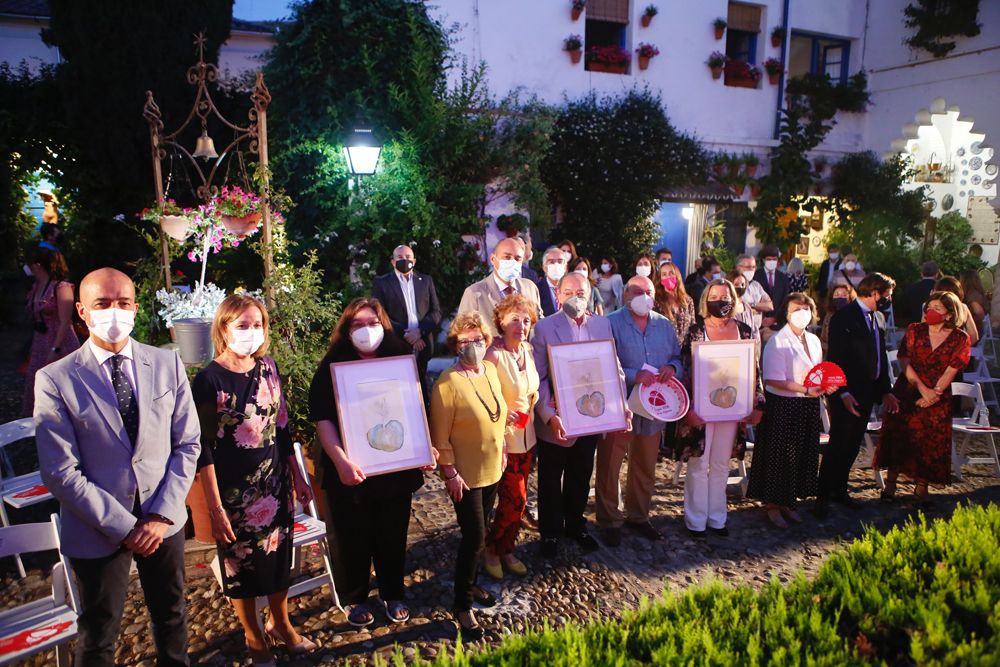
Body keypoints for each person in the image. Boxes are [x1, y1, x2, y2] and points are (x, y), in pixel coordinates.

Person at [35, 268, 200, 667]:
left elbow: (188, 443)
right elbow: (60, 471)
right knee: (98, 632)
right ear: (81, 312)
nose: (115, 312)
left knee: (172, 614)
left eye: (123, 303)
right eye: (102, 304)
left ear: (136, 307)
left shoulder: (166, 364)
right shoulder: (55, 379)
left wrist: (160, 515)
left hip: (163, 517)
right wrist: (126, 527)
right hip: (97, 526)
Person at [192, 294, 315, 663]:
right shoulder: (208, 380)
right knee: (241, 567)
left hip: (275, 485)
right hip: (233, 493)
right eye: (242, 325)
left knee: (279, 561)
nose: (251, 332)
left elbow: (282, 426)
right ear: (224, 328)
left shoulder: (269, 368)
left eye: (257, 324)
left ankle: (282, 624)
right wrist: (214, 507)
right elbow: (203, 449)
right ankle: (253, 635)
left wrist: (298, 474)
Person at [308, 298, 428, 629]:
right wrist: (341, 460)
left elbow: (417, 407)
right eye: (358, 324)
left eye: (372, 323)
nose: (366, 330)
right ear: (346, 330)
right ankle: (354, 597)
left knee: (393, 534)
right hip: (347, 469)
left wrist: (423, 447)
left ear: (384, 324)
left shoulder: (401, 358)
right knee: (350, 537)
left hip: (394, 469)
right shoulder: (332, 365)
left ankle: (393, 592)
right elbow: (322, 419)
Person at [533, 272, 628, 558]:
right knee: (551, 477)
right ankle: (550, 532)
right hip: (558, 419)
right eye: (569, 291)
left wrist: (620, 405)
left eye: (582, 291)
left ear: (590, 295)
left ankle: (575, 525)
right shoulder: (543, 327)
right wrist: (549, 414)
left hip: (591, 417)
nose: (576, 296)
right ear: (559, 294)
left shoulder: (602, 325)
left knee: (580, 473)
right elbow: (538, 377)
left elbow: (614, 369)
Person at [430, 311, 508, 638]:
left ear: (486, 341)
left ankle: (473, 584)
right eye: (465, 341)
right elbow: (439, 436)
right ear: (455, 345)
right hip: (464, 474)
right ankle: (461, 605)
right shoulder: (446, 383)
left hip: (492, 468)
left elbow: (497, 412)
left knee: (483, 529)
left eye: (478, 340)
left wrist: (503, 446)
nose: (473, 346)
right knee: (474, 537)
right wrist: (449, 472)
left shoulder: (490, 369)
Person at [674, 279, 764, 537]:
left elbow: (754, 370)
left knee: (722, 464)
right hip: (701, 411)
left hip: (733, 409)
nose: (721, 300)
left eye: (726, 296)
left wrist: (757, 402)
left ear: (734, 300)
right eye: (715, 295)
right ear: (706, 299)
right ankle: (695, 521)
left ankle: (717, 518)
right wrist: (687, 408)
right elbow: (686, 372)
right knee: (699, 463)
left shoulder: (745, 331)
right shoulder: (695, 331)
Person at [600, 276, 682, 544]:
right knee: (610, 464)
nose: (643, 295)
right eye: (637, 291)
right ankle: (609, 520)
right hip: (620, 405)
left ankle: (639, 516)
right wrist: (635, 375)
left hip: (655, 407)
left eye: (647, 291)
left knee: (645, 464)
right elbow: (604, 362)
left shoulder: (664, 325)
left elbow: (677, 358)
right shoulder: (610, 323)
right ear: (625, 294)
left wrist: (673, 369)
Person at [815, 272, 900, 518]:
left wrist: (885, 390)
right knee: (838, 442)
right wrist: (842, 392)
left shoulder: (878, 318)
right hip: (846, 392)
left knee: (853, 444)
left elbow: (880, 356)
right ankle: (823, 495)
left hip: (867, 390)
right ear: (874, 293)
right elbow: (837, 358)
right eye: (887, 295)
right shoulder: (845, 317)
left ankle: (839, 489)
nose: (888, 299)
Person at [874, 291, 970, 505]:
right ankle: (890, 486)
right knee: (898, 436)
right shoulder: (914, 330)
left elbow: (951, 370)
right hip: (908, 389)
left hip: (938, 395)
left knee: (929, 441)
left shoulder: (960, 338)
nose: (931, 312)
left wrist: (933, 394)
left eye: (937, 309)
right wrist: (921, 388)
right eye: (929, 307)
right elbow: (904, 360)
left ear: (949, 314)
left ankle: (921, 488)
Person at [747, 293, 833, 528]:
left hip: (808, 403)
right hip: (784, 404)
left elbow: (817, 371)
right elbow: (773, 380)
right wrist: (805, 389)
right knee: (779, 455)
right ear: (786, 312)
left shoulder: (814, 340)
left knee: (801, 453)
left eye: (806, 308)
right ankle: (772, 504)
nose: (802, 312)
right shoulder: (778, 341)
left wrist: (824, 385)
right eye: (796, 308)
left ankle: (789, 500)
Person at [482, 295, 539, 579]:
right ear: (501, 322)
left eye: (526, 320)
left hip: (528, 438)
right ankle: (491, 549)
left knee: (519, 498)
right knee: (514, 498)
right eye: (515, 319)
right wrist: (504, 413)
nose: (521, 325)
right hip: (504, 440)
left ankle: (507, 548)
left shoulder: (527, 350)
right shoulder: (494, 354)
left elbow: (531, 388)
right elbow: (484, 395)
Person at [371, 244, 442, 390]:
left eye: (408, 257)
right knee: (399, 388)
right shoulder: (382, 283)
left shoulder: (426, 281)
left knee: (421, 386)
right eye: (400, 257)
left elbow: (436, 312)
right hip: (396, 342)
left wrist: (419, 332)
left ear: (414, 261)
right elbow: (380, 314)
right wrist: (407, 334)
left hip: (423, 343)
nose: (405, 260)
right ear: (393, 262)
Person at [21, 247, 80, 416]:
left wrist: (55, 349)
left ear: (37, 265)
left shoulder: (61, 287)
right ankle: (40, 422)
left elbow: (65, 321)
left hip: (60, 341)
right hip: (40, 341)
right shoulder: (36, 286)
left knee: (64, 382)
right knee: (37, 381)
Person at [458, 237, 541, 337]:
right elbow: (465, 336)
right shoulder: (474, 294)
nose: (512, 262)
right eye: (507, 257)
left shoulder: (530, 287)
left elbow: (539, 325)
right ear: (493, 259)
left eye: (517, 258)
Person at [655, 260, 696, 342]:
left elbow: (692, 326)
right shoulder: (656, 301)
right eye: (664, 274)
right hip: (664, 350)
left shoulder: (688, 300)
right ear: (660, 280)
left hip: (684, 351)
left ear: (677, 276)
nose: (668, 277)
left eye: (671, 273)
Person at [934, 276, 979, 345]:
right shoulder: (963, 307)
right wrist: (961, 348)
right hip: (955, 350)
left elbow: (923, 333)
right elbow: (974, 336)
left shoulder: (930, 307)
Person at [735, 254, 773, 333]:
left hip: (756, 331)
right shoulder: (733, 285)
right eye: (748, 267)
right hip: (739, 331)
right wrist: (759, 307)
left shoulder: (756, 285)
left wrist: (752, 305)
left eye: (753, 267)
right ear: (738, 268)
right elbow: (739, 310)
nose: (751, 270)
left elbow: (770, 306)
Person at [753, 246, 789, 327]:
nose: (772, 261)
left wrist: (775, 318)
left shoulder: (783, 278)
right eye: (769, 259)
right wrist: (762, 319)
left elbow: (785, 301)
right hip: (758, 321)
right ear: (763, 260)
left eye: (774, 259)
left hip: (777, 321)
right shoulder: (755, 276)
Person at [820, 281, 856, 354]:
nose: (840, 297)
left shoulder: (855, 317)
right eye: (837, 294)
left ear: (850, 298)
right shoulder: (829, 316)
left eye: (844, 295)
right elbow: (822, 339)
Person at [900, 261, 939, 326]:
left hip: (915, 325)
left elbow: (905, 310)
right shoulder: (942, 289)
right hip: (936, 326)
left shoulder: (910, 288)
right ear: (937, 274)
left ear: (921, 274)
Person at [536, 246, 568, 317]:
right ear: (544, 267)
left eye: (560, 261)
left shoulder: (573, 288)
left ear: (565, 267)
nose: (556, 265)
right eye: (552, 262)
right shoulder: (537, 289)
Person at [959, 268, 990, 336]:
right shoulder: (978, 293)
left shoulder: (972, 296)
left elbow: (979, 312)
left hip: (972, 333)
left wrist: (969, 324)